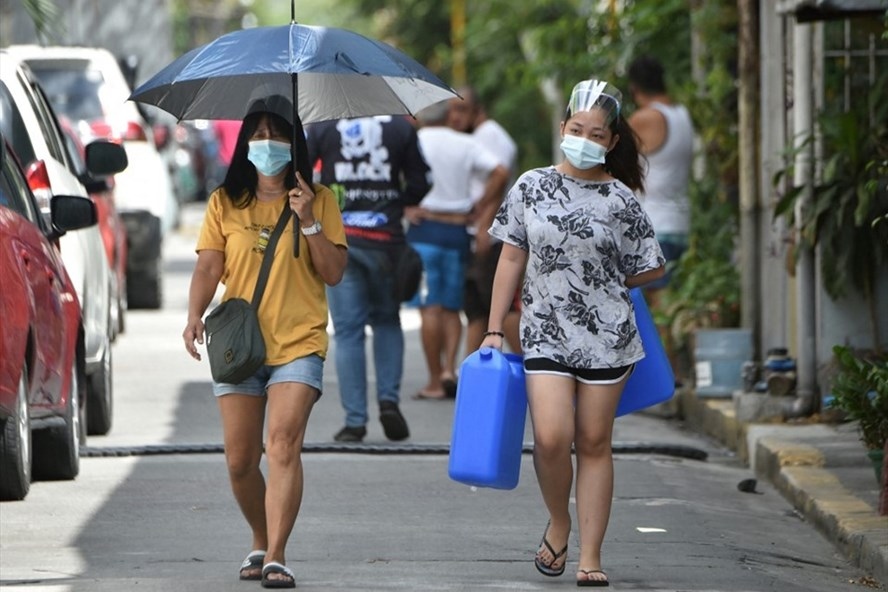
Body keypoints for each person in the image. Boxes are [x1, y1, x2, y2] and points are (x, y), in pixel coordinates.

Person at [480, 79, 665, 587]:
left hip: (609, 338)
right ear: (564, 128)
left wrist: (605, 279)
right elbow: (511, 255)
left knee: (593, 441)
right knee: (552, 438)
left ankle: (591, 558)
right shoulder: (530, 185)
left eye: (596, 132)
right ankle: (558, 520)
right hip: (544, 332)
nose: (584, 137)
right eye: (576, 128)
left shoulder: (621, 198)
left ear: (611, 141)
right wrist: (495, 328)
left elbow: (650, 266)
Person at [182, 100, 348, 589]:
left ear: (295, 144)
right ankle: (260, 535)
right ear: (244, 144)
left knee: (282, 444)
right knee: (239, 460)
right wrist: (194, 314)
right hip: (241, 346)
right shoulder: (224, 202)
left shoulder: (321, 200)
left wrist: (309, 220)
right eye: (257, 134)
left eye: (277, 134)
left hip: (299, 342)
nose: (267, 144)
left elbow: (334, 273)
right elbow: (210, 266)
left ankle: (276, 554)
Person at [306, 115, 431, 442]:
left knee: (348, 332)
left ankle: (355, 420)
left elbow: (300, 177)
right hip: (387, 243)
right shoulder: (401, 128)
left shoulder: (322, 127)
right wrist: (396, 201)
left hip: (339, 242)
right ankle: (388, 400)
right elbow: (421, 180)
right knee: (387, 321)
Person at [407, 100, 509, 400]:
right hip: (456, 232)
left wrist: (406, 205)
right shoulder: (465, 143)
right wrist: (480, 206)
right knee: (452, 309)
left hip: (424, 231)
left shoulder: (414, 141)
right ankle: (451, 369)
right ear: (448, 115)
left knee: (430, 308)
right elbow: (500, 172)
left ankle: (435, 381)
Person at [626, 56, 695, 381]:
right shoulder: (682, 115)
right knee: (673, 301)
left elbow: (610, 149)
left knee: (659, 303)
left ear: (635, 88)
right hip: (680, 221)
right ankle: (673, 373)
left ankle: (669, 376)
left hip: (654, 225)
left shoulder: (646, 118)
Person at [447, 86, 523, 359]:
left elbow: (500, 178)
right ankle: (473, 375)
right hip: (481, 234)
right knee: (477, 310)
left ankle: (536, 367)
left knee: (502, 308)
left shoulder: (490, 135)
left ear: (478, 110)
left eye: (462, 109)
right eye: (451, 110)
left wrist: (483, 225)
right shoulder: (479, 136)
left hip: (492, 237)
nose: (454, 117)